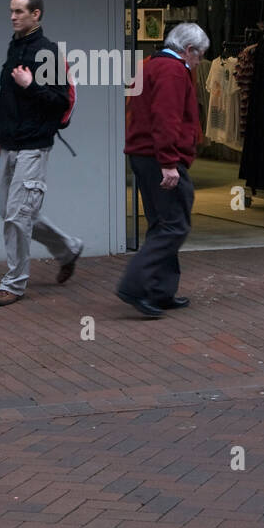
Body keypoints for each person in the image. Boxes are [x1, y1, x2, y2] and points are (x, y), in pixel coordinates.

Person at [0, 0, 84, 307]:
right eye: (11, 11)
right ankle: (68, 248)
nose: (13, 16)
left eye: (19, 11)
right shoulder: (14, 47)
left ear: (36, 14)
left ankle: (14, 283)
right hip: (9, 144)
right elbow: (6, 98)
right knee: (11, 213)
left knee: (18, 215)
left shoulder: (47, 52)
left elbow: (60, 102)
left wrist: (31, 86)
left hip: (34, 146)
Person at [116, 22, 208, 318]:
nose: (199, 63)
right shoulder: (172, 70)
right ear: (189, 50)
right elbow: (166, 118)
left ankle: (161, 291)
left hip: (144, 154)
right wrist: (169, 162)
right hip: (160, 157)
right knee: (174, 224)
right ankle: (135, 285)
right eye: (200, 56)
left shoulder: (149, 65)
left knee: (161, 223)